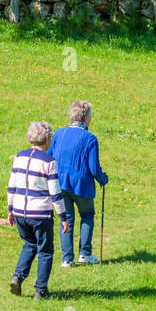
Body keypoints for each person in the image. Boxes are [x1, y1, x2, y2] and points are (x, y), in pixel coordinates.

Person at [7, 121, 69, 300]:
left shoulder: (19, 157)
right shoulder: (49, 162)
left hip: (20, 211)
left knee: (29, 244)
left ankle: (18, 277)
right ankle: (40, 290)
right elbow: (55, 192)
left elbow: (12, 186)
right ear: (47, 138)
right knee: (45, 251)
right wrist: (63, 216)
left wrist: (10, 209)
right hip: (40, 213)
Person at [49, 101, 109, 268]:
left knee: (66, 218)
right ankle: (85, 253)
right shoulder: (90, 138)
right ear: (86, 118)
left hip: (60, 184)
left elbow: (49, 156)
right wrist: (103, 179)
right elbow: (93, 167)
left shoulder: (59, 133)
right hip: (81, 184)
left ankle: (67, 259)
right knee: (87, 214)